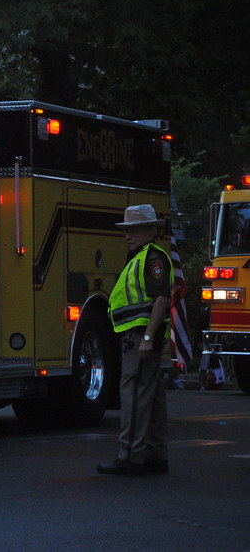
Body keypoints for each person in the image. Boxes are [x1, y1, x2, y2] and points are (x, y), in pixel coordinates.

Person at [97, 204, 172, 476]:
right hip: (140, 336)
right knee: (152, 396)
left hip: (140, 337)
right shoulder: (140, 257)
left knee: (134, 395)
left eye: (135, 230)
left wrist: (148, 338)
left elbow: (161, 301)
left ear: (151, 231)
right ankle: (155, 454)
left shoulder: (152, 258)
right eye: (126, 230)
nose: (128, 236)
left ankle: (129, 455)